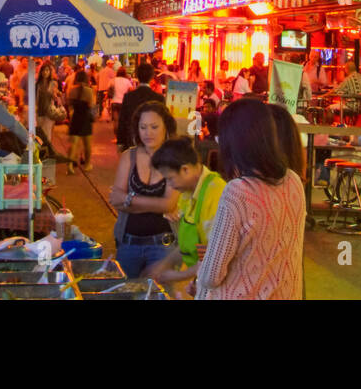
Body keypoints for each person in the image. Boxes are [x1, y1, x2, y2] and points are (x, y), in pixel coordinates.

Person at [196, 99, 305, 300]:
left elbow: (211, 276)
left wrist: (200, 273)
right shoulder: (294, 181)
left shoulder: (238, 192)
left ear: (233, 143)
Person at [148, 137, 226, 295]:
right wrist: (165, 263)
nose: (169, 185)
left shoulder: (215, 193)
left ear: (185, 169)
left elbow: (216, 258)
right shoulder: (187, 193)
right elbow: (188, 247)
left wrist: (177, 276)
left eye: (170, 178)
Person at [109, 102, 179, 277]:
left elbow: (169, 204)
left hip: (163, 246)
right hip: (128, 243)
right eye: (143, 127)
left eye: (154, 127)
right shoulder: (129, 157)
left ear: (166, 127)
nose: (148, 133)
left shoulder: (175, 160)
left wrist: (129, 199)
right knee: (125, 294)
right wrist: (156, 204)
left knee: (159, 295)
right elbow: (115, 198)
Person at [118, 63, 163, 149]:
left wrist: (120, 142)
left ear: (137, 76)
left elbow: (122, 120)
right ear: (152, 77)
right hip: (152, 141)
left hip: (132, 140)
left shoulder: (129, 97)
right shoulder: (158, 98)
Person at [65, 70, 96, 174]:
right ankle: (87, 164)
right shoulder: (89, 91)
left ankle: (69, 164)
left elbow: (69, 104)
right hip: (85, 118)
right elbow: (91, 105)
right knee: (87, 144)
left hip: (75, 117)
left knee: (73, 144)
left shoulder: (72, 90)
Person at [112, 67, 135, 146]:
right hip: (124, 102)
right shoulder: (127, 81)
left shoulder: (114, 80)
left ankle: (116, 137)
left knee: (116, 120)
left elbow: (109, 87)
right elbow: (132, 89)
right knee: (123, 120)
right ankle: (122, 137)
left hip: (114, 102)